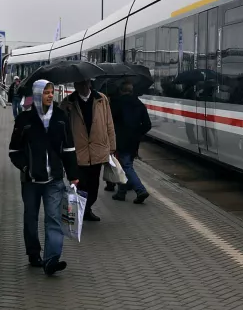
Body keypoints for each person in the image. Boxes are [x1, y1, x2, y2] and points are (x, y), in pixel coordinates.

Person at [8, 80, 79, 275]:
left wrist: (73, 175)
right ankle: (33, 253)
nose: (49, 95)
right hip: (30, 181)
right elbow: (14, 150)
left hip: (54, 180)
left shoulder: (60, 117)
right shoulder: (25, 120)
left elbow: (69, 149)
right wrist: (25, 166)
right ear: (37, 94)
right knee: (31, 218)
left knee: (54, 219)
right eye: (45, 92)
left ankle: (51, 259)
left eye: (51, 92)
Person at [61, 78, 116, 222]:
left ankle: (87, 209)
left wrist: (112, 146)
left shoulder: (101, 99)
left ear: (90, 84)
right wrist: (64, 111)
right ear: (75, 85)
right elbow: (61, 126)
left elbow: (109, 123)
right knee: (81, 184)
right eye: (79, 83)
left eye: (85, 83)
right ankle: (79, 213)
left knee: (93, 186)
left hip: (97, 150)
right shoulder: (69, 102)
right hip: (78, 152)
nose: (83, 86)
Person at [110, 80, 151, 203]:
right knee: (124, 165)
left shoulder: (117, 103)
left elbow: (110, 122)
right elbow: (147, 125)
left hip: (120, 140)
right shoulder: (139, 104)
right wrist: (138, 134)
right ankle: (121, 192)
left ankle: (140, 190)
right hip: (134, 141)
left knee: (125, 166)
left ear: (121, 90)